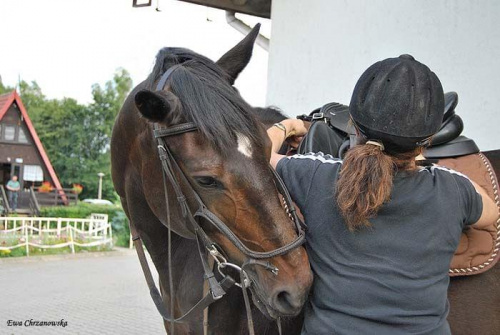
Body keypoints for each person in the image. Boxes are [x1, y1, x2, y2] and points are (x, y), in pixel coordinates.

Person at [267, 55, 497, 335]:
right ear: (428, 141)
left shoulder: (316, 175)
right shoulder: (453, 189)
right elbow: (491, 214)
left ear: (353, 126)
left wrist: (287, 126)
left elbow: (260, 156)